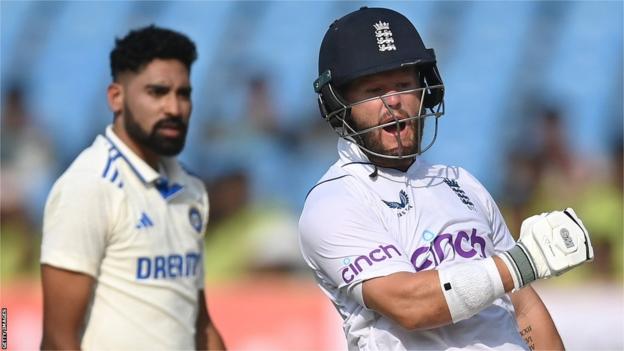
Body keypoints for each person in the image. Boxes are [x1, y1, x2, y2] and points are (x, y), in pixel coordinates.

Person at [298, 7, 594, 350]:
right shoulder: (334, 201)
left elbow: (523, 308)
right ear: (339, 104)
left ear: (427, 91)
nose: (393, 101)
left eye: (403, 84)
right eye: (374, 89)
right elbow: (410, 306)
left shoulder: (462, 182)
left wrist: (516, 271)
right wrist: (522, 263)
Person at [40, 25, 225, 350]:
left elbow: (198, 323)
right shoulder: (89, 185)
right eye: (157, 92)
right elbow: (58, 339)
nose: (174, 108)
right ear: (116, 97)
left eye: (184, 93)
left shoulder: (190, 188)